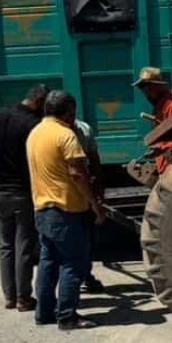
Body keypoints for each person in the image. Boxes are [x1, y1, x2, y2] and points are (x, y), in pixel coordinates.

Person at [25, 91, 105, 330]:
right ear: (69, 112)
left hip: (42, 209)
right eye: (73, 112)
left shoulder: (35, 133)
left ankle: (44, 313)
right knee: (74, 263)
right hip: (66, 210)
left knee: (48, 262)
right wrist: (95, 205)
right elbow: (78, 174)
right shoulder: (66, 136)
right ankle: (67, 316)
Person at [0, 85, 47, 312]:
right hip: (23, 192)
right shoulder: (33, 125)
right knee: (25, 246)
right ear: (38, 102)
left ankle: (9, 296)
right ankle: (23, 298)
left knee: (5, 245)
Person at [70, 118, 106, 294]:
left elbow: (93, 158)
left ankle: (85, 275)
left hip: (81, 191)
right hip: (68, 194)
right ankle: (75, 280)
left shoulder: (84, 129)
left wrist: (98, 185)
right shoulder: (57, 134)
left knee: (86, 238)